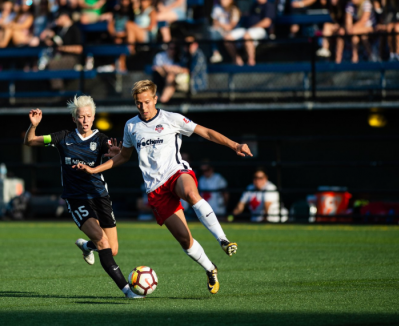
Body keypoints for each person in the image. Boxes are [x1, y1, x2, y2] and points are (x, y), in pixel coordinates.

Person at [75, 80, 248, 294]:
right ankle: (211, 269)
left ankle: (223, 239)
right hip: (155, 190)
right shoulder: (131, 126)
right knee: (184, 239)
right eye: (139, 103)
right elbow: (124, 157)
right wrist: (95, 169)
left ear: (155, 99)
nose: (144, 107)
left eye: (147, 102)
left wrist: (235, 145)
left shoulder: (171, 119)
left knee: (191, 192)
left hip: (176, 174)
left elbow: (206, 132)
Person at [23, 95, 144, 299]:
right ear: (74, 118)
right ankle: (127, 290)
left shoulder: (101, 140)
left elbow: (117, 154)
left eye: (89, 116)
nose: (85, 120)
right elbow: (29, 141)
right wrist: (33, 126)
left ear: (94, 117)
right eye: (81, 117)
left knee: (112, 249)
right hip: (76, 198)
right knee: (102, 242)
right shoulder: (63, 138)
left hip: (100, 196)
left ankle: (86, 245)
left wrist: (117, 152)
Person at [40, 9, 83, 89]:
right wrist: (47, 37)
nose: (57, 20)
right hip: (58, 56)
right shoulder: (59, 29)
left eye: (58, 18)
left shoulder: (75, 29)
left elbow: (79, 48)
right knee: (44, 65)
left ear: (65, 17)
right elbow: (51, 41)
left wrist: (62, 48)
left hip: (72, 58)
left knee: (53, 64)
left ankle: (58, 90)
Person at [224, 0, 275, 66]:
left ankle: (251, 61)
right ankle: (236, 59)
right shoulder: (254, 5)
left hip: (260, 30)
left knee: (247, 36)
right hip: (247, 29)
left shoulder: (268, 6)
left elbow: (267, 22)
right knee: (228, 38)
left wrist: (253, 27)